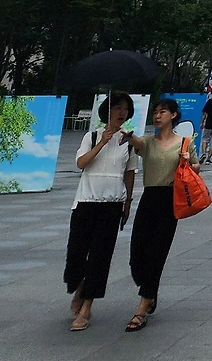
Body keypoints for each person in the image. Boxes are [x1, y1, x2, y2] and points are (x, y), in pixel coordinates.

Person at [121, 97, 196, 331]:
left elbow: (196, 168)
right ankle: (149, 289)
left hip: (170, 200)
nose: (157, 115)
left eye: (162, 112)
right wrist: (126, 134)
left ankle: (142, 307)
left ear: (173, 115)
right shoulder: (148, 142)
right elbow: (136, 142)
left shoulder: (184, 143)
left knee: (157, 253)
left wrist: (188, 163)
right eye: (155, 112)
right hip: (149, 198)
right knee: (137, 256)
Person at [65, 92, 137, 331]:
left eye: (125, 108)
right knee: (76, 255)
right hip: (86, 201)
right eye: (117, 107)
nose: (121, 112)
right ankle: (80, 286)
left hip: (112, 204)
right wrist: (102, 143)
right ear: (107, 111)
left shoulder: (128, 141)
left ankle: (86, 307)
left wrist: (127, 203)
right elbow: (81, 163)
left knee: (100, 257)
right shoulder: (92, 136)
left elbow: (129, 173)